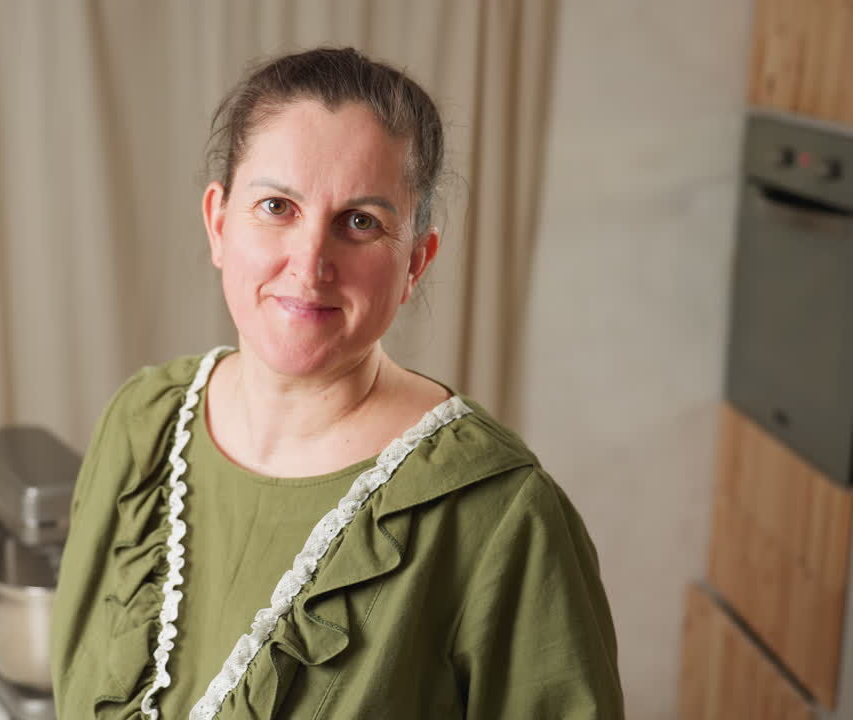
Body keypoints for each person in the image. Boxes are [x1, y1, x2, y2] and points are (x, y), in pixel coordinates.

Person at [50, 47, 624, 719]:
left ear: (416, 261)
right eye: (277, 206)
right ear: (218, 222)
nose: (311, 262)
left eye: (360, 222)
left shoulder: (500, 516)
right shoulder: (139, 426)